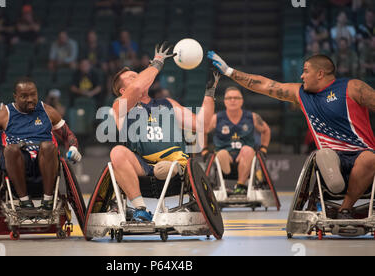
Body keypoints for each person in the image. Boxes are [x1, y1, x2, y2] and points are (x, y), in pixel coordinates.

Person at [208, 51, 375, 219]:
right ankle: (334, 189)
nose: (302, 76)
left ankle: (344, 209)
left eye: (306, 71)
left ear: (320, 74)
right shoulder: (301, 94)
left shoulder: (352, 87)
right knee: (323, 155)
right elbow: (265, 85)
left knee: (369, 158)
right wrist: (229, 71)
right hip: (331, 160)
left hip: (363, 156)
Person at [109, 43, 219, 221]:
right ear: (123, 91)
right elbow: (136, 89)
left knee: (170, 165)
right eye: (132, 77)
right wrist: (157, 64)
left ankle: (174, 169)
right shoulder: (120, 107)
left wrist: (210, 92)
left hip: (176, 166)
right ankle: (140, 209)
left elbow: (203, 126)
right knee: (117, 152)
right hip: (144, 167)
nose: (139, 79)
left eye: (139, 76)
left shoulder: (166, 104)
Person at [0, 77, 82, 211]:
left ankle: (48, 200)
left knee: (48, 146)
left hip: (46, 165)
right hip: (17, 166)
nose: (30, 99)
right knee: (10, 149)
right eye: (24, 96)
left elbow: (68, 135)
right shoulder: (4, 115)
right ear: (15, 97)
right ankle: (24, 200)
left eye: (33, 94)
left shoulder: (48, 111)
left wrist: (73, 148)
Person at [202, 86, 271, 194]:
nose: (232, 100)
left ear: (241, 101)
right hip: (224, 161)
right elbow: (202, 131)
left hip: (245, 159)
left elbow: (266, 130)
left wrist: (264, 148)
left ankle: (240, 186)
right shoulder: (216, 118)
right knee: (222, 153)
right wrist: (204, 150)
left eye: (236, 98)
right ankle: (226, 187)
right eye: (229, 98)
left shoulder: (252, 117)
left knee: (247, 150)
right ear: (225, 101)